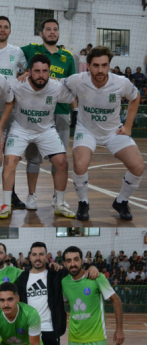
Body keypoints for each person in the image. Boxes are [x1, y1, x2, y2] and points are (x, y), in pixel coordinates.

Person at [61, 46, 142, 221]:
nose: (100, 70)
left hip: (113, 131)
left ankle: (121, 201)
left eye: (104, 65)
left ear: (109, 65)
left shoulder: (121, 82)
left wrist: (128, 125)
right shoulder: (77, 80)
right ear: (88, 65)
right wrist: (31, 75)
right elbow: (55, 83)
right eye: (96, 65)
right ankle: (83, 203)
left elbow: (135, 98)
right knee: (80, 164)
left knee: (138, 167)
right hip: (86, 130)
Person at [17, 241, 99, 345]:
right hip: (31, 333)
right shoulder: (23, 277)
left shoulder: (56, 274)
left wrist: (92, 266)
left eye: (41, 254)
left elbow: (76, 270)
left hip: (49, 330)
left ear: (47, 257)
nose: (38, 258)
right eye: (34, 254)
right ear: (29, 257)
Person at [0, 54, 76, 219]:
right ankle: (5, 204)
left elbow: (75, 92)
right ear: (29, 71)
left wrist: (60, 80)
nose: (41, 75)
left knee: (62, 162)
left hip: (46, 130)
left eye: (44, 71)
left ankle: (60, 203)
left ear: (49, 72)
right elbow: (5, 96)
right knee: (9, 161)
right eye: (36, 71)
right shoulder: (17, 84)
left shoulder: (56, 87)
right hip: (20, 129)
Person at [20, 18, 77, 211]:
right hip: (35, 113)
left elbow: (72, 85)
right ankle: (31, 196)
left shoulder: (68, 56)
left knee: (58, 158)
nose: (52, 32)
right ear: (41, 33)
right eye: (48, 29)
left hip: (60, 113)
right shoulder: (30, 50)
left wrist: (75, 109)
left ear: (59, 33)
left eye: (55, 29)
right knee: (33, 158)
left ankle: (57, 198)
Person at [61, 245, 125, 345]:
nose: (73, 264)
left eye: (76, 259)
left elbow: (116, 300)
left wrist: (119, 329)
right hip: (75, 337)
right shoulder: (64, 282)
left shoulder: (96, 278)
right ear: (64, 264)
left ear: (82, 260)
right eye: (69, 261)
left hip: (96, 337)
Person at [0, 16, 27, 210]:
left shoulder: (17, 52)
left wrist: (23, 75)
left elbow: (28, 70)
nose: (2, 29)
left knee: (11, 154)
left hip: (10, 107)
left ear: (10, 31)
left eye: (5, 27)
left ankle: (11, 195)